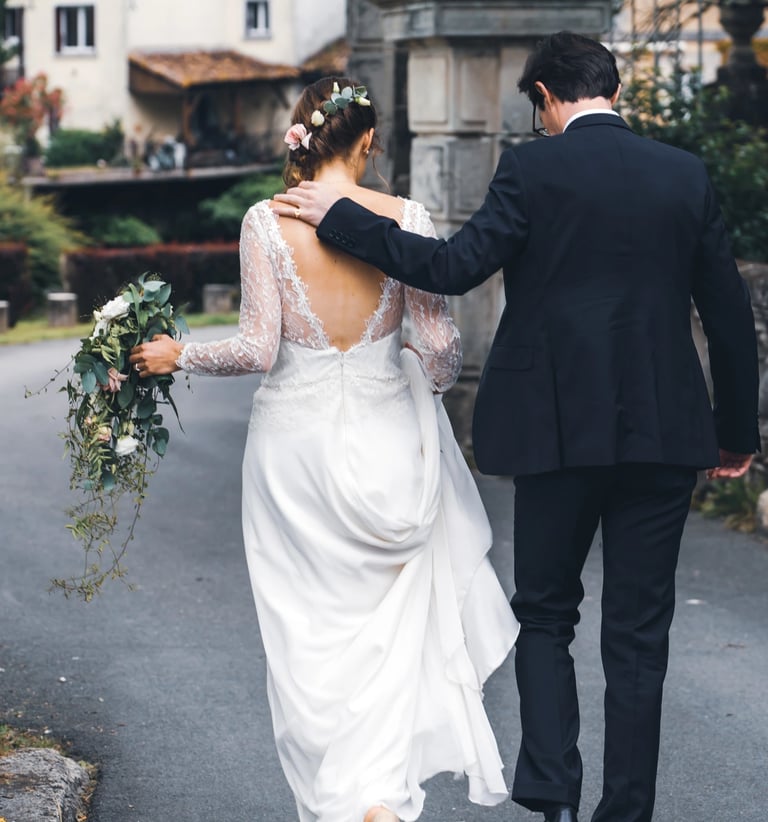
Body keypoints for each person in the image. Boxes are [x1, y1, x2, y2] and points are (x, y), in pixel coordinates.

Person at [272, 33, 760, 822]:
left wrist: (346, 219)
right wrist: (736, 431)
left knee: (547, 614)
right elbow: (730, 316)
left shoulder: (532, 170)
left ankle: (554, 796)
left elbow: (452, 267)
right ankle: (627, 811)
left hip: (555, 431)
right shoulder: (683, 174)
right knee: (639, 634)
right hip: (665, 434)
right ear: (611, 90)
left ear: (545, 98)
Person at [129, 76, 519, 822]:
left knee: (306, 636)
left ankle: (343, 797)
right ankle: (377, 794)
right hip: (388, 444)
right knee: (388, 635)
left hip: (293, 455)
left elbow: (256, 349)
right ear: (368, 141)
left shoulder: (266, 221)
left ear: (303, 136)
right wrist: (414, 372)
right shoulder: (407, 218)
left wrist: (180, 355)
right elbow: (442, 353)